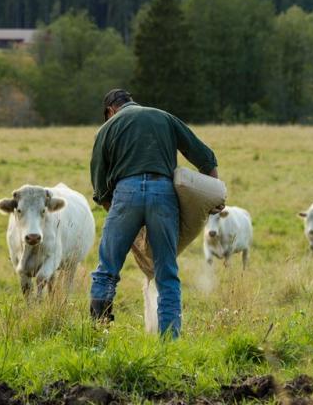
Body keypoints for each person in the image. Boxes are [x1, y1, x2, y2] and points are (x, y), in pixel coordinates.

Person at [89, 89, 222, 338]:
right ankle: (169, 343)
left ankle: (99, 336)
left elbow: (100, 185)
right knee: (167, 274)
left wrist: (119, 218)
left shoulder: (106, 128)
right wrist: (214, 192)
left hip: (125, 192)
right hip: (164, 193)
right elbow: (204, 156)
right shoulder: (164, 117)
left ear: (110, 111)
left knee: (106, 270)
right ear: (130, 102)